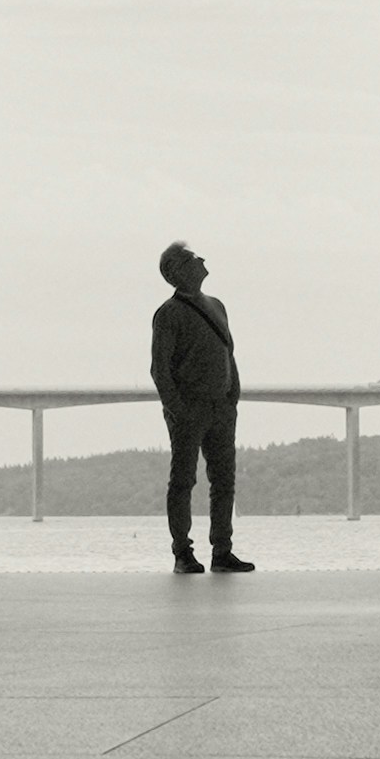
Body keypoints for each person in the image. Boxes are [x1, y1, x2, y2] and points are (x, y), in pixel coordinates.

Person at [150, 241, 255, 573]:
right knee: (183, 481)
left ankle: (222, 552)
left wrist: (233, 394)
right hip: (189, 409)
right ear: (176, 271)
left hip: (222, 408)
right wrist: (176, 408)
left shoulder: (217, 306)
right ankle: (183, 552)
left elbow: (228, 353)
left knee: (224, 480)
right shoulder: (169, 314)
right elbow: (159, 368)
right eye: (194, 258)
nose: (203, 260)